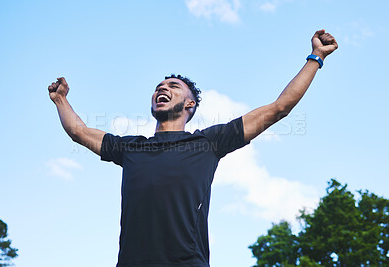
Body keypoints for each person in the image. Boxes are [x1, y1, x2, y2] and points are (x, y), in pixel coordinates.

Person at [48, 29, 338, 267]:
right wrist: (61, 100)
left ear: (189, 104)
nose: (162, 88)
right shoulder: (130, 148)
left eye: (173, 86)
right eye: (159, 86)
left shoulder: (208, 143)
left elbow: (279, 108)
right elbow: (79, 131)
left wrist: (316, 57)